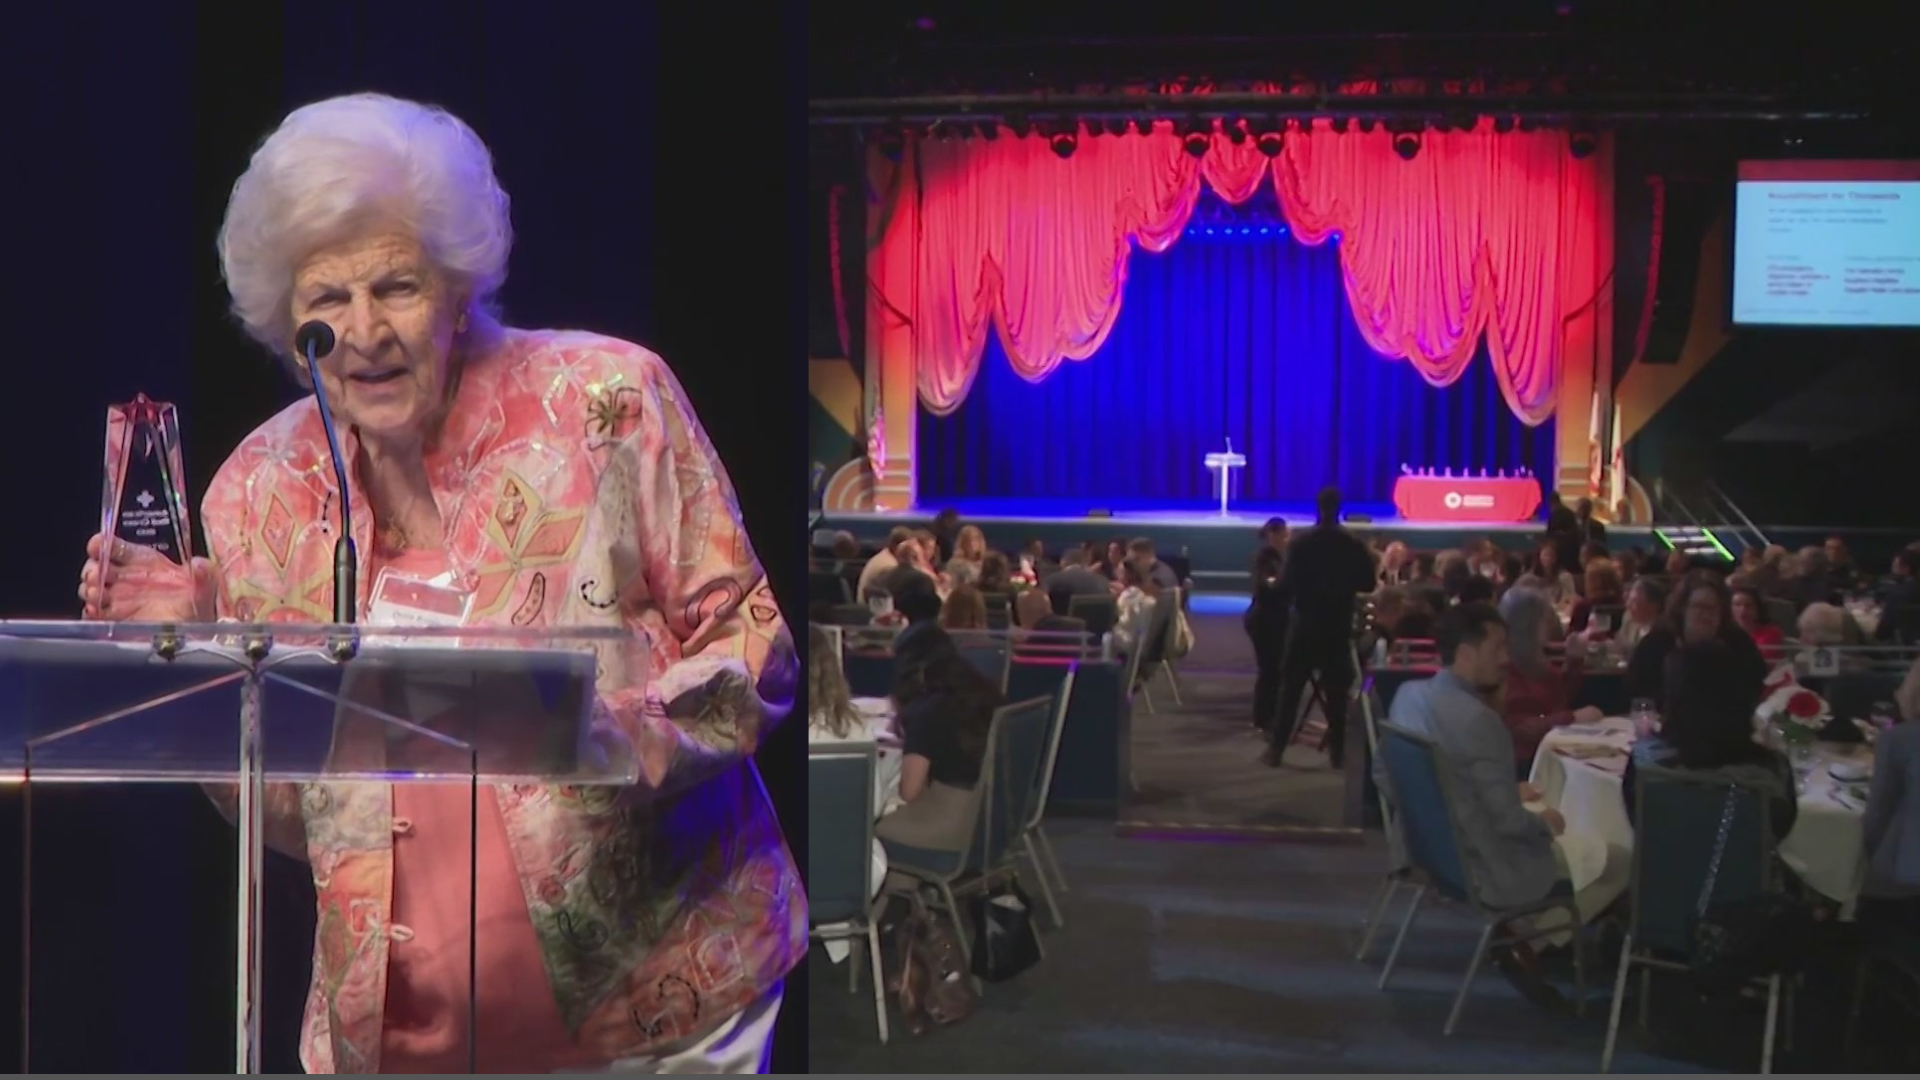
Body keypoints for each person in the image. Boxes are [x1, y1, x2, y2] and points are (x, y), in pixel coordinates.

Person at [78, 94, 797, 1073]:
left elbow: (759, 653)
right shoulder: (256, 494)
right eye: (326, 302)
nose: (363, 330)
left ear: (459, 289)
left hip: (662, 1006)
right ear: (287, 326)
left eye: (397, 287)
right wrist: (207, 663)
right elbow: (296, 817)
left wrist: (617, 733)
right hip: (399, 1034)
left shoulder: (608, 404)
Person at [1380, 603, 1629, 1008]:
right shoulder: (1479, 720)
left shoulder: (1408, 695)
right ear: (1467, 651)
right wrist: (1546, 824)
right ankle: (1531, 940)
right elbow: (1509, 824)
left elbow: (1388, 775)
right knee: (1616, 859)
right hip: (1485, 863)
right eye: (1497, 647)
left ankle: (1521, 936)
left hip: (1429, 848)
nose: (1505, 658)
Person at [1266, 488, 1375, 769]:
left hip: (1305, 625)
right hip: (1337, 625)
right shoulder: (1352, 544)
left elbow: (1285, 585)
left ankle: (1276, 750)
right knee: (1336, 694)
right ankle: (1337, 753)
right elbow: (1368, 584)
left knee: (1290, 690)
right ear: (1340, 508)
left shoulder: (1301, 543)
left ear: (1317, 507)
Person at [1246, 517, 1291, 731]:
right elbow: (1265, 585)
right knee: (1269, 668)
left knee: (1275, 668)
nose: (1286, 538)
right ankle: (1263, 718)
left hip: (1275, 618)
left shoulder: (1280, 557)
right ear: (1273, 535)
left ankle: (1270, 714)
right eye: (1283, 534)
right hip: (1264, 620)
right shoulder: (1264, 558)